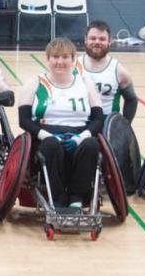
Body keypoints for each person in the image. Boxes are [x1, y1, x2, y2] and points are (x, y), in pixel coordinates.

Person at [18, 38, 104, 210]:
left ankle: (77, 198)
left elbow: (98, 119)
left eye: (65, 57)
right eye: (55, 57)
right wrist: (48, 135)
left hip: (79, 134)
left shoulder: (86, 83)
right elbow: (24, 120)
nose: (60, 62)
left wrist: (80, 138)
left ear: (74, 59)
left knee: (91, 145)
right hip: (45, 136)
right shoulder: (35, 83)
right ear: (47, 59)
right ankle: (56, 197)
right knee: (51, 146)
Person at [74, 20, 138, 122]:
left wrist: (125, 125)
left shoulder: (119, 71)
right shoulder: (74, 66)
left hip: (106, 124)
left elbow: (131, 100)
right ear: (85, 39)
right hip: (79, 121)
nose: (97, 42)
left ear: (109, 41)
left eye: (102, 39)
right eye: (93, 38)